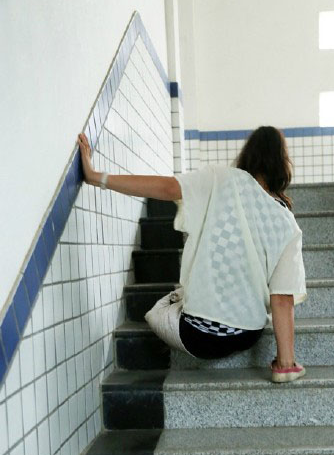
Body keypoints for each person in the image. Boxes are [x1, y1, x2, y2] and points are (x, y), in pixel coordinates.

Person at [77, 126, 307, 382]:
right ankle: (285, 366)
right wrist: (285, 363)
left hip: (197, 336)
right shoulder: (287, 223)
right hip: (246, 335)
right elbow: (282, 298)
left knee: (162, 308)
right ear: (282, 164)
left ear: (248, 154)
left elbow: (167, 188)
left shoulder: (220, 178)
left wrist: (96, 177)